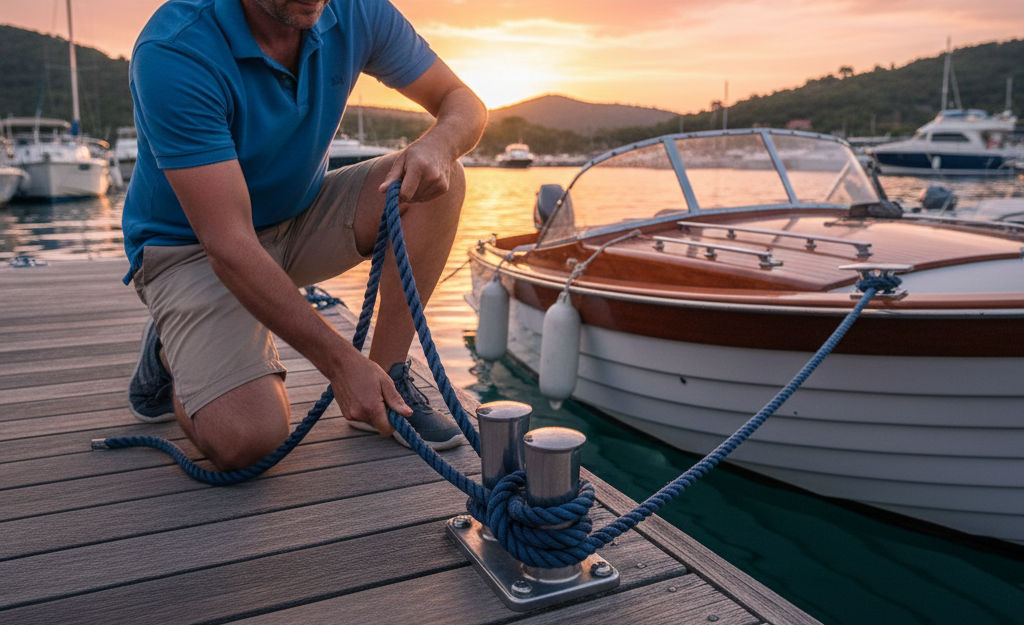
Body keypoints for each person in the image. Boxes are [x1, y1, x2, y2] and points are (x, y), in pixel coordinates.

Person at [122, 0, 487, 471]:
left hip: (298, 217)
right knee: (249, 439)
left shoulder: (355, 11)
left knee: (441, 181)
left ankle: (389, 377)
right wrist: (339, 364)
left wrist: (439, 144)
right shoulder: (174, 51)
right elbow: (228, 245)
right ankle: (170, 353)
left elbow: (462, 101)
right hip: (191, 249)